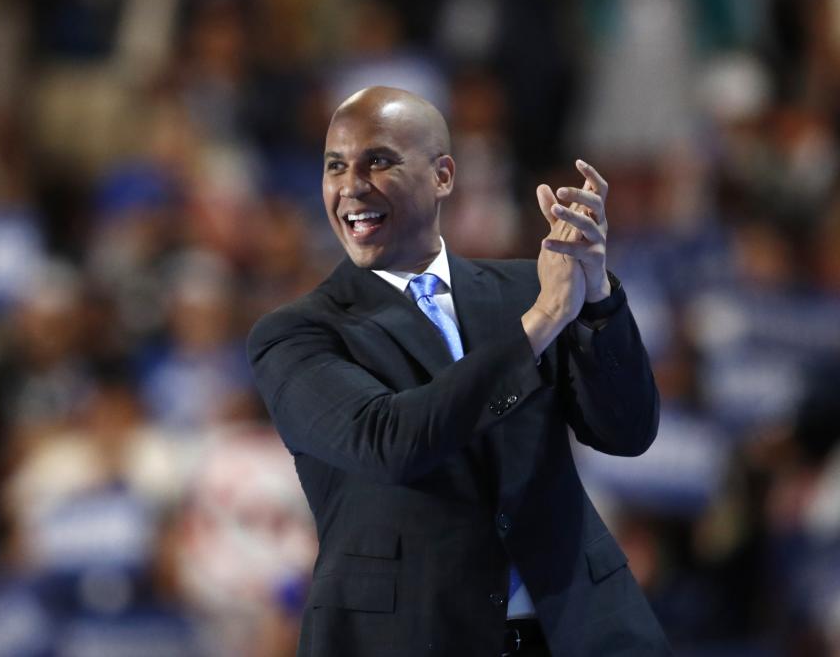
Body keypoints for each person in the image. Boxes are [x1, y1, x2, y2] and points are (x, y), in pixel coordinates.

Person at [247, 86, 671, 657]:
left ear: (443, 175)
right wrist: (544, 321)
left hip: (581, 629)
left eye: (378, 160)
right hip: (411, 640)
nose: (351, 186)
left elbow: (628, 431)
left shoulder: (528, 288)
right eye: (335, 166)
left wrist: (595, 297)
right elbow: (391, 442)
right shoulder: (296, 334)